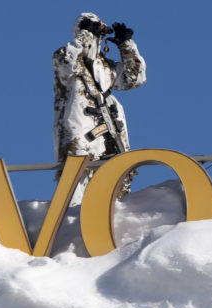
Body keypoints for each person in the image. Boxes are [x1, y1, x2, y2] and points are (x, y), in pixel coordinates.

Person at [53, 13, 146, 203]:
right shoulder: (63, 56)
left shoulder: (103, 66)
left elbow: (134, 78)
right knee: (77, 183)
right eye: (94, 30)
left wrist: (126, 45)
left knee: (117, 182)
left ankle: (110, 221)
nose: (97, 35)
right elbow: (69, 64)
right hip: (80, 133)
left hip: (109, 133)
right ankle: (73, 223)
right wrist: (85, 35)